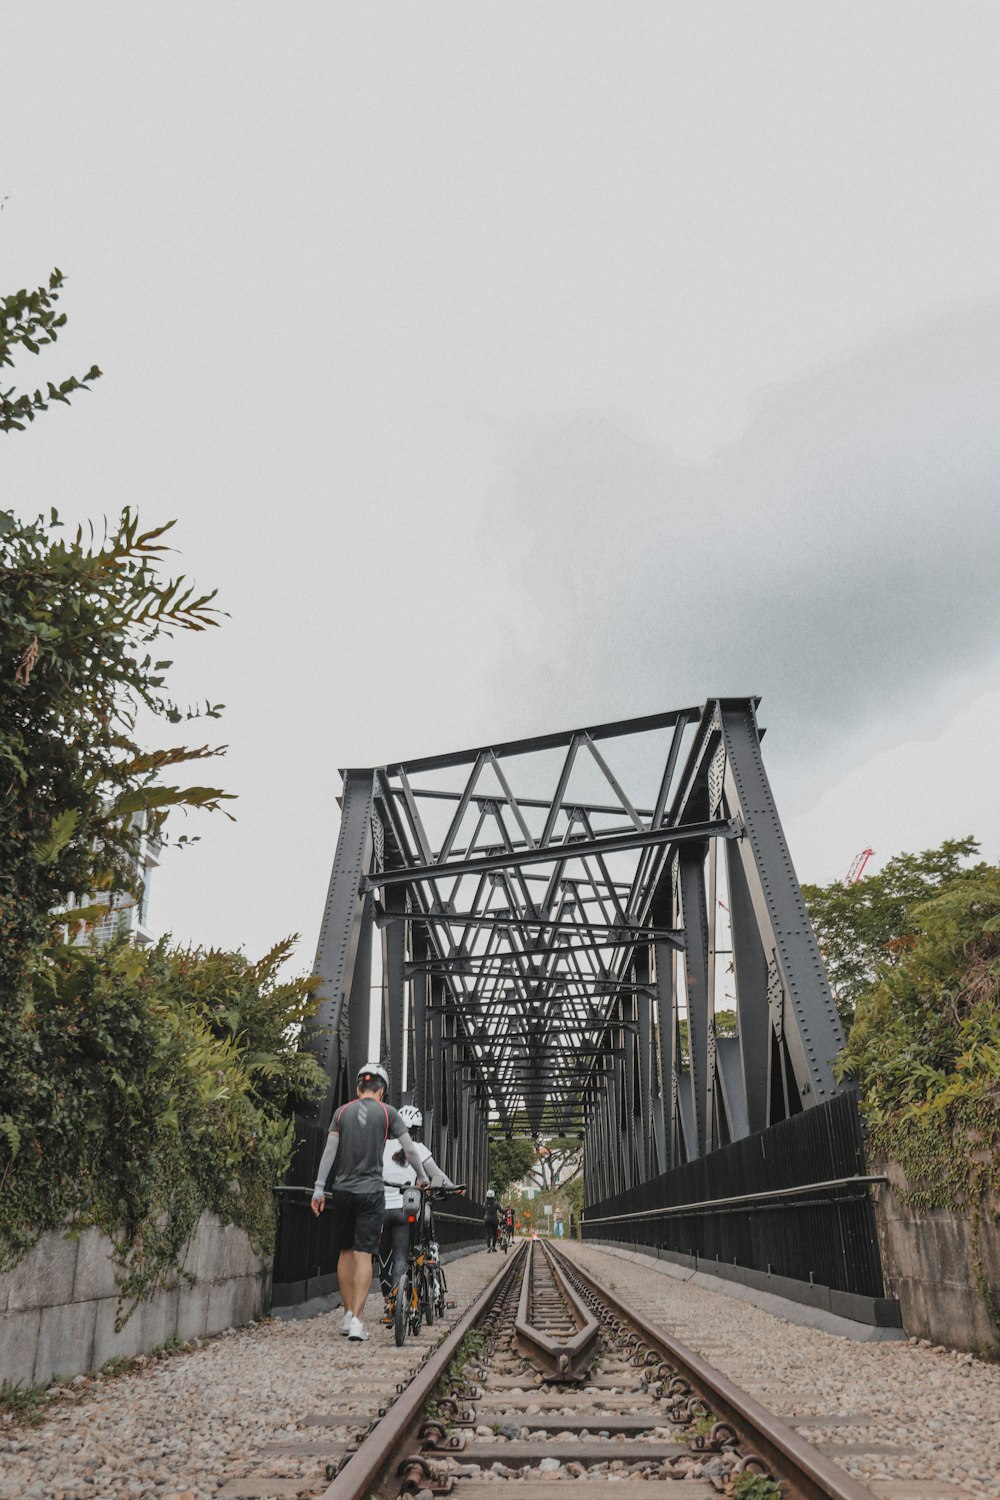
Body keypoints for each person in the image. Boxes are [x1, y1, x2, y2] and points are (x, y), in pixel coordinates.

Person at [311, 1061, 428, 1342]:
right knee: (364, 1254)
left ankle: (348, 1314)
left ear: (358, 1087)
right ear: (382, 1090)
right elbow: (409, 1149)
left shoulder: (342, 1112)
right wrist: (421, 1176)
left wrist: (318, 1188)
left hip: (342, 1191)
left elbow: (329, 1152)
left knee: (345, 1253)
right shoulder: (388, 1113)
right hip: (371, 1193)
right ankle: (357, 1322)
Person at [379, 1104, 459, 1316]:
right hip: (405, 1209)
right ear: (416, 1130)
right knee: (400, 1257)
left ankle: (388, 1302)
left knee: (383, 1258)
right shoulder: (419, 1149)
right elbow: (438, 1176)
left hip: (379, 1210)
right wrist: (454, 1189)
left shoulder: (381, 1146)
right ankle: (398, 1303)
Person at [484, 1188, 500, 1252]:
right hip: (494, 1219)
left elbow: (483, 1209)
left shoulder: (485, 1203)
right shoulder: (496, 1203)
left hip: (486, 1219)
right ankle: (493, 1247)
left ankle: (488, 1247)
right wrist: (505, 1214)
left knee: (488, 1233)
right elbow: (501, 1210)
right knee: (494, 1233)